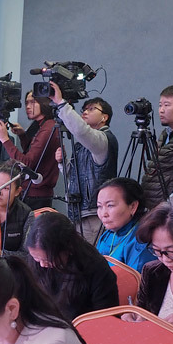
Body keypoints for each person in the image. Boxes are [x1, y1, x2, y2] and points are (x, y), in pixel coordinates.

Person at [49, 81, 118, 244]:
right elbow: (74, 176)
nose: (85, 112)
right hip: (78, 212)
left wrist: (61, 103)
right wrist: (62, 163)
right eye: (84, 109)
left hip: (94, 215)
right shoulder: (82, 145)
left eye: (92, 109)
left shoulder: (103, 139)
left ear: (104, 117)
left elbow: (80, 130)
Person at [123, 196, 173, 342]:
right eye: (157, 251)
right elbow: (143, 311)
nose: (165, 259)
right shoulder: (153, 272)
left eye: (171, 251)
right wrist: (133, 316)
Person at [26, 212, 118, 320]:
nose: (42, 264)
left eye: (48, 260)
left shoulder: (96, 268)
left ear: (68, 247)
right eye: (37, 259)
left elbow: (106, 319)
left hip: (81, 329)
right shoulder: (35, 262)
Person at [0, 91, 61, 209]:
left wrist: (5, 139)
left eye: (33, 102)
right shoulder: (42, 125)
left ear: (44, 103)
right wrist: (23, 136)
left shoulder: (48, 128)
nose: (28, 107)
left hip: (36, 195)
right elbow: (34, 153)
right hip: (33, 192)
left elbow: (28, 162)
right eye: (26, 103)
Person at [95, 178, 156, 272]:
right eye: (99, 206)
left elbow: (137, 282)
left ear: (133, 206)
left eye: (110, 205)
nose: (103, 214)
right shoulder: (108, 234)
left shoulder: (142, 239)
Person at [0, 162, 34, 257]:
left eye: (5, 188)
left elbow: (28, 255)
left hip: (11, 268)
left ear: (17, 191)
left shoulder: (26, 214)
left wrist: (2, 254)